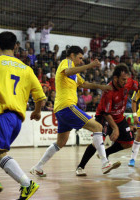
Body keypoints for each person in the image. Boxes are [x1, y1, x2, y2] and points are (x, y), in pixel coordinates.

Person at [0, 31, 46, 200]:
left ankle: (27, 184)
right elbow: (41, 97)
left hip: (1, 115)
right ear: (15, 46)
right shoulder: (27, 69)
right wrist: (36, 111)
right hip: (17, 120)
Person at [30, 46, 119, 177]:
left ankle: (38, 167)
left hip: (61, 110)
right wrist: (90, 65)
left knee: (60, 143)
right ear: (72, 55)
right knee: (98, 127)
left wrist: (101, 87)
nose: (81, 61)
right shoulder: (66, 63)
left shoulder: (75, 74)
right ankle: (105, 163)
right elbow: (67, 71)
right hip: (67, 107)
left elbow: (84, 84)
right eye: (80, 58)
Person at [75, 64, 140, 176]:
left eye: (126, 79)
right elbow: (106, 113)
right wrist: (115, 129)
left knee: (128, 143)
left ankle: (105, 153)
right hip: (104, 117)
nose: (126, 82)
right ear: (115, 78)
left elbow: (139, 86)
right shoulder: (108, 91)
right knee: (98, 141)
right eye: (123, 79)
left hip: (119, 117)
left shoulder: (127, 82)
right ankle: (81, 167)